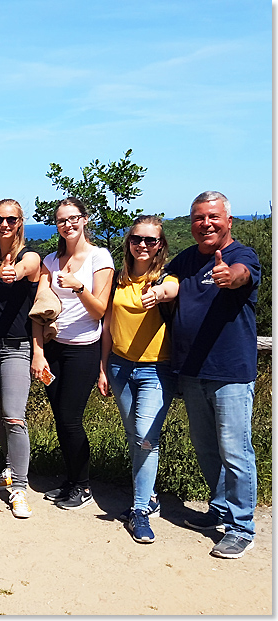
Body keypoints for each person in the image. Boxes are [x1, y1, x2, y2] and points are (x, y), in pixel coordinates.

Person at [164, 191, 260, 559]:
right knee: (206, 448)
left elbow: (241, 275)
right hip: (191, 371)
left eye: (213, 217)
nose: (206, 223)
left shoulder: (240, 256)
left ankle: (241, 526)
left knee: (236, 452)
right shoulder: (186, 259)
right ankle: (219, 510)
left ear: (228, 221)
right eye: (199, 217)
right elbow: (169, 281)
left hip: (230, 373)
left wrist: (228, 276)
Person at [97, 215, 178, 543]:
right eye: (137, 239)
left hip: (156, 369)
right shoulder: (118, 278)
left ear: (160, 245)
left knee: (146, 437)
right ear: (129, 242)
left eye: (150, 240)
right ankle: (150, 496)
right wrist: (103, 367)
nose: (142, 245)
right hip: (119, 367)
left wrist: (159, 294)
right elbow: (107, 326)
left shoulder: (165, 278)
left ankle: (140, 510)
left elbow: (174, 288)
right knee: (135, 435)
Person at [31, 197, 114, 510]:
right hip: (54, 348)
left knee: (69, 419)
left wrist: (80, 287)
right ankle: (71, 480)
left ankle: (82, 485)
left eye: (73, 218)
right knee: (60, 419)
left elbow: (100, 311)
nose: (68, 225)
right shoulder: (50, 261)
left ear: (84, 219)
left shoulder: (100, 258)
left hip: (83, 350)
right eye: (61, 220)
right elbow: (39, 311)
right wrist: (38, 353)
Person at [0, 199, 41, 518]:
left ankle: (20, 487)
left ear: (20, 222)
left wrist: (13, 272)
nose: (4, 224)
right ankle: (8, 469)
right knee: (1, 413)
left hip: (18, 347)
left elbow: (26, 268)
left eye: (11, 219)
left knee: (15, 417)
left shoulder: (28, 257)